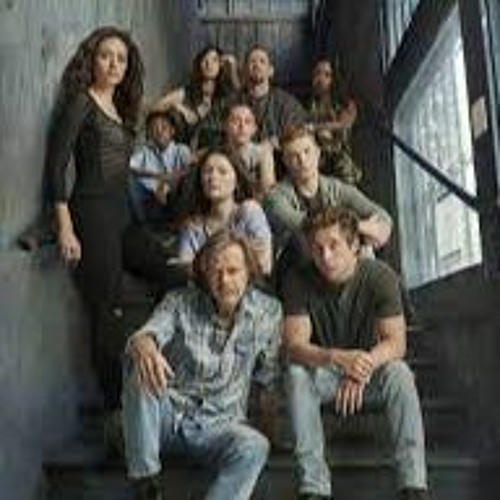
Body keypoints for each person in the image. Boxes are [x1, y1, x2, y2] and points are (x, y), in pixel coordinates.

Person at [281, 207, 431, 500]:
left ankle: (413, 484)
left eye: (334, 245)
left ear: (355, 246)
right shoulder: (298, 279)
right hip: (325, 371)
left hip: (370, 370)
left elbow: (396, 343)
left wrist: (362, 367)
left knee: (400, 372)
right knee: (296, 375)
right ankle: (313, 487)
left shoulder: (380, 276)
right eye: (317, 248)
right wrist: (339, 358)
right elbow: (295, 347)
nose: (325, 257)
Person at [122, 230, 282, 500]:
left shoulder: (268, 312)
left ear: (249, 272)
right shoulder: (179, 302)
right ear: (204, 274)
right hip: (168, 419)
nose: (224, 280)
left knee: (255, 446)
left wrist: (270, 429)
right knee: (142, 368)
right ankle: (146, 485)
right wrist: (145, 345)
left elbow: (268, 378)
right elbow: (147, 334)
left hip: (220, 426)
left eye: (233, 271)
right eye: (216, 272)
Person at [44, 26, 144, 449]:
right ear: (92, 59)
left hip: (123, 214)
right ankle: (113, 412)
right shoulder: (81, 102)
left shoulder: (120, 108)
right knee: (106, 309)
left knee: (171, 269)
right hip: (90, 211)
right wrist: (65, 226)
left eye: (121, 58)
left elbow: (123, 170)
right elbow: (55, 167)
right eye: (106, 55)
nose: (114, 64)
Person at [263, 125, 392, 253]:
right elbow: (308, 225)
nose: (302, 161)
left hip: (335, 257)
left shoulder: (335, 187)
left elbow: (383, 217)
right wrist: (358, 226)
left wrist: (377, 230)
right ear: (285, 161)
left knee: (364, 248)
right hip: (298, 260)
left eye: (307, 151)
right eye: (294, 156)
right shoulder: (275, 196)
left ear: (317, 153)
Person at [177, 150, 273, 276]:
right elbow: (184, 271)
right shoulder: (193, 227)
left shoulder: (250, 211)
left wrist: (205, 265)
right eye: (207, 171)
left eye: (222, 172)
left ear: (236, 180)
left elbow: (264, 265)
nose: (213, 177)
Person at [202, 44, 307, 149]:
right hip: (235, 156)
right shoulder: (227, 103)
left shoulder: (288, 104)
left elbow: (303, 131)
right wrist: (232, 142)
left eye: (262, 61)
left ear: (271, 71)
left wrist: (277, 142)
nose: (257, 65)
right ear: (244, 70)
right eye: (252, 61)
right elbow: (206, 131)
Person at [152, 45, 239, 147]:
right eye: (205, 60)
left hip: (218, 146)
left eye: (214, 60)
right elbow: (154, 106)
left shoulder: (226, 92)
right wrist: (178, 107)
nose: (209, 64)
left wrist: (233, 69)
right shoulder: (189, 90)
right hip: (189, 147)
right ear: (199, 65)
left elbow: (242, 99)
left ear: (221, 65)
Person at [128, 109, 192, 228]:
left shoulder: (181, 149)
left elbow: (190, 168)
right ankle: (142, 225)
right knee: (129, 179)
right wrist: (157, 175)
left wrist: (168, 180)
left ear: (172, 131)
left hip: (174, 198)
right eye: (154, 129)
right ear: (150, 133)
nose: (159, 132)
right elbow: (130, 166)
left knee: (188, 178)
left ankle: (177, 223)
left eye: (163, 127)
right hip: (152, 199)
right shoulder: (145, 151)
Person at [307, 59, 362, 184]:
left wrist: (317, 127)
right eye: (317, 74)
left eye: (327, 75)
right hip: (315, 158)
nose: (321, 79)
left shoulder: (346, 103)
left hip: (340, 156)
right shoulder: (308, 104)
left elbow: (344, 124)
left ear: (334, 79)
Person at [222, 102, 276, 199]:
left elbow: (268, 192)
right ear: (225, 125)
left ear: (254, 129)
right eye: (235, 121)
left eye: (247, 122)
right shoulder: (218, 154)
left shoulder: (263, 153)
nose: (242, 126)